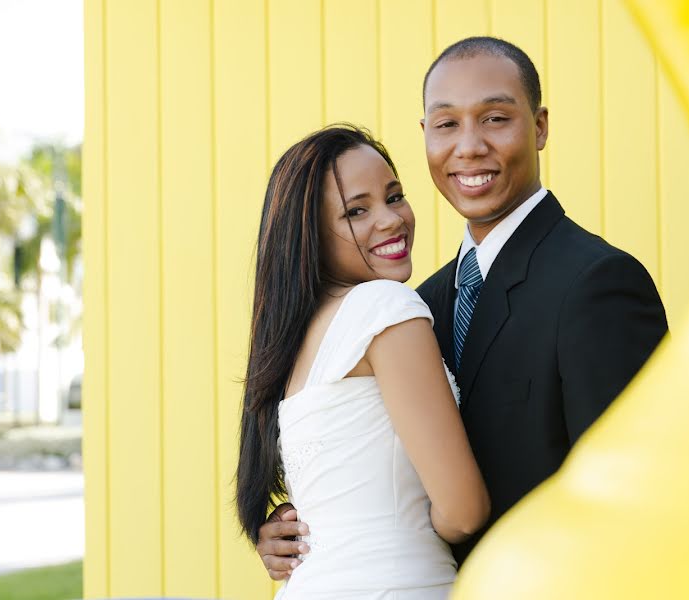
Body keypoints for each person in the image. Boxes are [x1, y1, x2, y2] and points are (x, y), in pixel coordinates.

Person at [256, 36, 668, 574]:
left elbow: (638, 497)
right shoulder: (414, 304)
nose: (469, 147)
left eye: (496, 118)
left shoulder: (598, 284)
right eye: (447, 124)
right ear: (425, 135)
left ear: (539, 127)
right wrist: (318, 531)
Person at [236, 125, 490, 599]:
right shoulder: (385, 308)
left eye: (394, 197)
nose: (391, 220)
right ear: (308, 234)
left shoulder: (293, 345)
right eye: (356, 211)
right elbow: (463, 512)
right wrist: (404, 528)